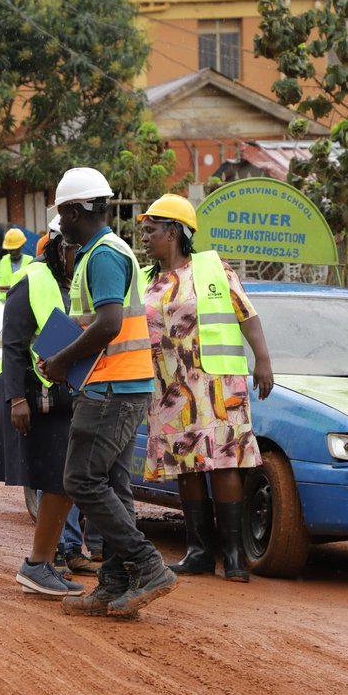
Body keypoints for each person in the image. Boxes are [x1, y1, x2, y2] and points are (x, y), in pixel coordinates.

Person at [42, 167, 174, 618]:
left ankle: (146, 564)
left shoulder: (102, 255)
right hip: (117, 381)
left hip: (112, 385)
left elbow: (109, 323)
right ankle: (114, 582)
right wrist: (61, 354)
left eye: (64, 215)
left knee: (81, 479)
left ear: (77, 210)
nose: (63, 227)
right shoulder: (105, 251)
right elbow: (96, 323)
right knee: (113, 486)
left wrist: (61, 362)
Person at [139, 194, 274, 582]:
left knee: (224, 461)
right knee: (186, 464)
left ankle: (232, 557)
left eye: (151, 230)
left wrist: (262, 360)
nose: (145, 237)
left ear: (174, 232)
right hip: (170, 386)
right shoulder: (151, 281)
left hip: (216, 382)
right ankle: (199, 551)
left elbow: (246, 314)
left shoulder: (213, 269)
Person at [0, 217, 87, 596]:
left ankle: (45, 562)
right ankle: (38, 564)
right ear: (59, 246)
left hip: (62, 398)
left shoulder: (72, 282)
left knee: (63, 482)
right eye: (76, 248)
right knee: (58, 481)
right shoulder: (32, 280)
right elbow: (12, 345)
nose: (81, 255)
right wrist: (17, 400)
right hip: (33, 397)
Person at [0, 228, 33, 303]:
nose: (13, 252)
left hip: (24, 306)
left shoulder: (31, 262)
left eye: (15, 248)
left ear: (22, 246)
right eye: (10, 249)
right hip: (3, 308)